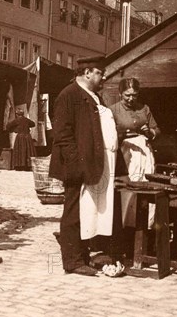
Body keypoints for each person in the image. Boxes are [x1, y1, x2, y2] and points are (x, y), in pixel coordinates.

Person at [50, 56, 117, 276]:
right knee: (72, 213)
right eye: (99, 72)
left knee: (86, 212)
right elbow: (62, 134)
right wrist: (76, 163)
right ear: (86, 72)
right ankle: (72, 261)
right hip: (76, 166)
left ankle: (83, 255)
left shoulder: (94, 97)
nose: (103, 76)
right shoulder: (68, 95)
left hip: (91, 165)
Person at [110, 77, 161, 227]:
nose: (131, 99)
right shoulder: (113, 110)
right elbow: (107, 134)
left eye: (134, 95)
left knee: (145, 185)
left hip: (144, 153)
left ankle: (145, 225)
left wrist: (150, 132)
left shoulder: (144, 109)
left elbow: (157, 130)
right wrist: (121, 134)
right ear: (120, 93)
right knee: (128, 186)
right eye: (127, 95)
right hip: (126, 153)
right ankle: (125, 225)